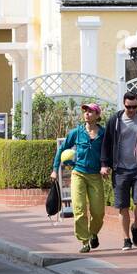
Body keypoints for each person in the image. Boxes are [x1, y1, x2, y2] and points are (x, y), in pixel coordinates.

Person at [52, 103, 107, 252]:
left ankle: (93, 233)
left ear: (97, 115)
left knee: (98, 212)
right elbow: (62, 149)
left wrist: (107, 166)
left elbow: (108, 152)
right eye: (85, 111)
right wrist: (55, 170)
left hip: (95, 175)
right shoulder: (76, 132)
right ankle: (84, 241)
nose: (87, 114)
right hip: (78, 174)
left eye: (90, 111)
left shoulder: (103, 133)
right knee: (79, 209)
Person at [101, 91, 137, 250]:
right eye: (129, 107)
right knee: (123, 206)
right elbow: (106, 143)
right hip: (120, 169)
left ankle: (135, 226)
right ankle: (126, 239)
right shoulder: (115, 120)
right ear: (123, 104)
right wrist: (104, 164)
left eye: (135, 107)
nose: (132, 110)